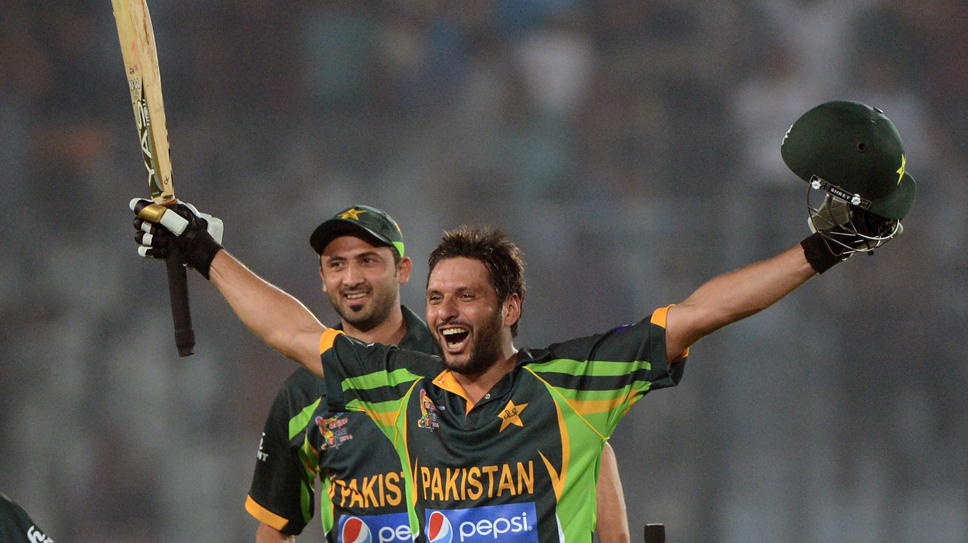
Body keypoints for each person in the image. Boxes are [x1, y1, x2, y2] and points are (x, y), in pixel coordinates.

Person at [133, 101, 915, 542]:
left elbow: (704, 310)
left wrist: (827, 245)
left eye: (464, 297)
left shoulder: (574, 382)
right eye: (437, 298)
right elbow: (290, 329)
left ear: (509, 307)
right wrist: (201, 248)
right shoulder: (395, 385)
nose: (444, 312)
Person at [166, 205, 629, 543]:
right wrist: (204, 252)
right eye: (337, 264)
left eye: (368, 260)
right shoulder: (305, 391)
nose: (352, 278)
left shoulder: (455, 354)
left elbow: (574, 432)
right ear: (322, 277)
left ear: (403, 270)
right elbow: (275, 527)